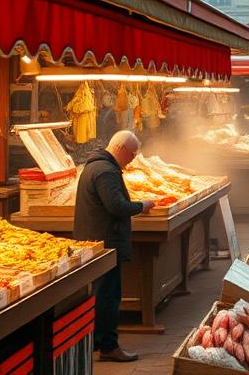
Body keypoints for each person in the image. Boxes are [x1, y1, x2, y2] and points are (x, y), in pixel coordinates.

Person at [74, 130, 157, 363]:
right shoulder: (105, 171)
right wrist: (141, 205)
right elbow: (117, 207)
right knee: (109, 296)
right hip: (106, 243)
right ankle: (108, 346)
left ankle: (99, 342)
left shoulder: (99, 166)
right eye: (132, 154)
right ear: (120, 148)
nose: (133, 159)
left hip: (99, 240)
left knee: (104, 294)